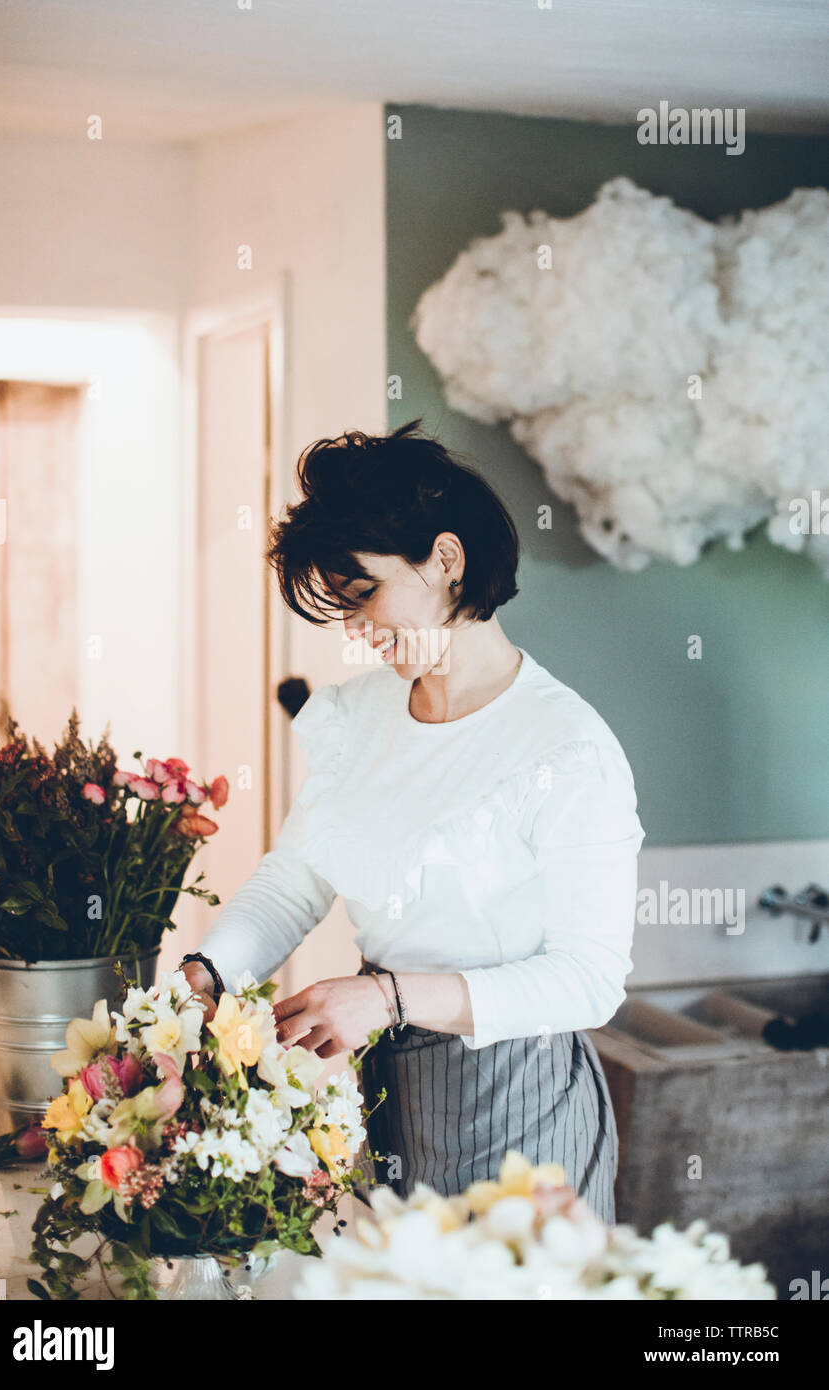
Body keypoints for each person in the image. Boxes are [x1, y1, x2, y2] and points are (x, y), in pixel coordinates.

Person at [180, 418, 645, 1223]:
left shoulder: (566, 748)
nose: (353, 629)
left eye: (364, 594)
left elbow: (591, 980)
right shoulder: (359, 716)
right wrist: (207, 975)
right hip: (392, 1098)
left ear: (447, 559)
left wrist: (387, 999)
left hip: (524, 1110)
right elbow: (296, 877)